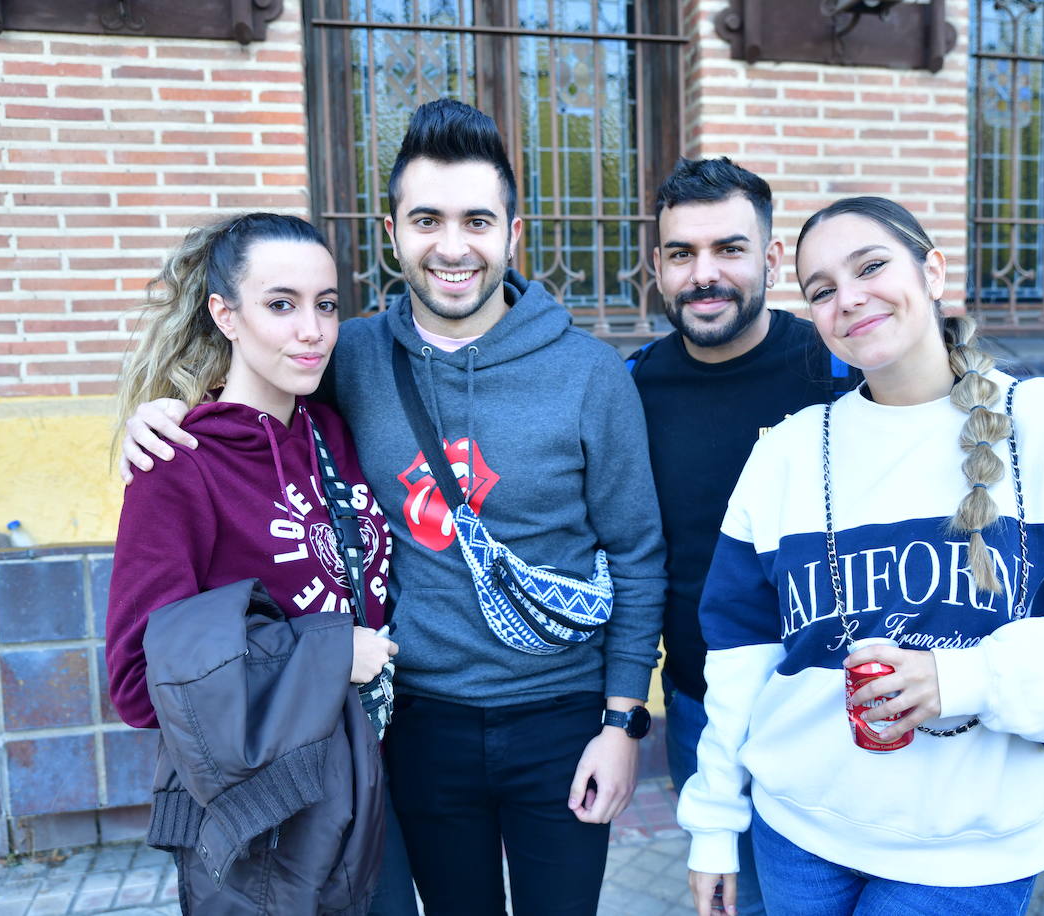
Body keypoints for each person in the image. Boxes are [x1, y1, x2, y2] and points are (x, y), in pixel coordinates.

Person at [117, 100, 666, 916]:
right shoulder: (354, 356)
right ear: (392, 231)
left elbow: (636, 554)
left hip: (560, 716)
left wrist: (623, 725)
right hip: (417, 723)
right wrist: (164, 410)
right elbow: (260, 393)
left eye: (477, 220)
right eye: (427, 220)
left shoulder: (591, 375)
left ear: (513, 235)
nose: (453, 246)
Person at [677, 196, 1044, 916]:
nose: (848, 297)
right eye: (822, 289)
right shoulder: (787, 451)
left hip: (969, 851)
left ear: (934, 271)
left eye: (872, 266)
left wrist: (965, 677)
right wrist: (712, 825)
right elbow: (738, 660)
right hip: (797, 832)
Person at [104, 212, 403, 912]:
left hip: (372, 784)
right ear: (225, 314)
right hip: (275, 823)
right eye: (281, 304)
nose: (312, 330)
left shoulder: (331, 428)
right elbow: (137, 682)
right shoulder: (177, 465)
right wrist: (326, 653)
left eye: (326, 306)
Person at [628, 156, 857, 915]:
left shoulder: (838, 370)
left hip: (841, 706)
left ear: (770, 257)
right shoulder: (631, 389)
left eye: (728, 249)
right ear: (656, 264)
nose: (705, 274)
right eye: (681, 253)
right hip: (702, 706)